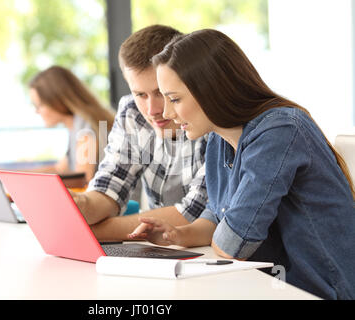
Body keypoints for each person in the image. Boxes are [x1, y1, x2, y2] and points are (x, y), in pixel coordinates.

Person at [129, 29, 355, 300]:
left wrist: (223, 233)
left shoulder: (280, 130)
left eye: (174, 99)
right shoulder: (218, 139)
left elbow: (233, 244)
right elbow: (217, 215)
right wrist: (178, 235)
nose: (166, 113)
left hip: (318, 291)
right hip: (269, 286)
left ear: (211, 89)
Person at [70, 25, 209, 240]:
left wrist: (87, 232)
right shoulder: (132, 112)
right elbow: (111, 184)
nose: (152, 110)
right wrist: (80, 205)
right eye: (140, 94)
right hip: (158, 250)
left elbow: (194, 214)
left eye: (161, 93)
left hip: (205, 251)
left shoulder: (211, 119)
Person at [28, 65, 115, 183]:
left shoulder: (86, 127)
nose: (36, 111)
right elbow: (59, 168)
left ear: (56, 101)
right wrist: (10, 175)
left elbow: (83, 180)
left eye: (39, 105)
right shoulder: (74, 126)